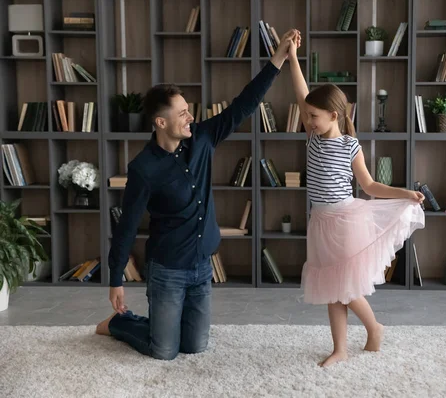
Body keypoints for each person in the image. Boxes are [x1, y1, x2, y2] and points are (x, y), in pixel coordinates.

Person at [95, 30, 300, 360]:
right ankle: (121, 323)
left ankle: (163, 324)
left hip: (202, 267)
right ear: (160, 122)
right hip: (167, 270)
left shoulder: (202, 139)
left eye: (188, 110)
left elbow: (243, 105)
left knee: (194, 346)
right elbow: (127, 226)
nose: (190, 117)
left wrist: (278, 58)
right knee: (164, 350)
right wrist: (116, 279)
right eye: (182, 114)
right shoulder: (144, 168)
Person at [287, 32, 425, 367]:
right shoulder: (313, 138)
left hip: (346, 222)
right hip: (320, 222)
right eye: (307, 116)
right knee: (333, 288)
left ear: (334, 115)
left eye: (314, 117)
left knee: (345, 288)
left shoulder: (350, 145)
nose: (308, 121)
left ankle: (374, 327)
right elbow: (302, 93)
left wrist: (405, 193)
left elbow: (370, 185)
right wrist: (292, 57)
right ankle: (341, 348)